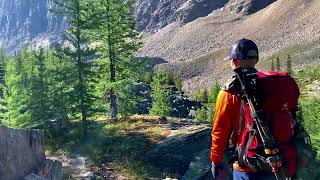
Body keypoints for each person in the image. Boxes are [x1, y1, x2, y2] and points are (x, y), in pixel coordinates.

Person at [210, 38, 299, 180]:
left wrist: (216, 161)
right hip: (282, 161)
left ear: (234, 61)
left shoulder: (229, 93)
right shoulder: (279, 84)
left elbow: (219, 133)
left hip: (248, 168)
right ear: (256, 59)